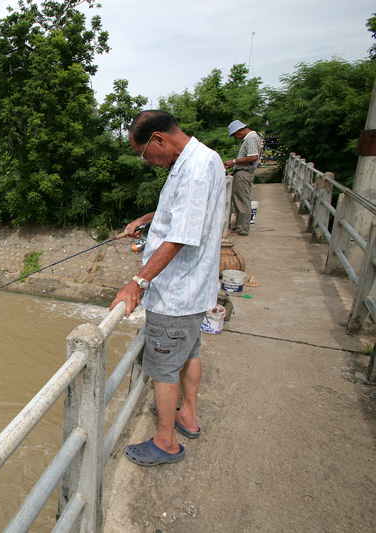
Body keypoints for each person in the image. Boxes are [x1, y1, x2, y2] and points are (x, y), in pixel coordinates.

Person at [110, 110, 226, 466]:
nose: (146, 161)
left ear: (159, 139)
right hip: (194, 290)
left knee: (161, 369)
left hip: (177, 293)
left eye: (144, 153)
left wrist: (138, 282)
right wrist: (147, 220)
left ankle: (166, 443)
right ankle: (187, 416)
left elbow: (182, 236)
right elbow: (184, 214)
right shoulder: (204, 158)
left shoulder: (193, 169)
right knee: (190, 352)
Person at [224, 120, 261, 236]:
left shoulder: (251, 138)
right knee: (238, 200)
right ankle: (238, 227)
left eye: (235, 135)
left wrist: (234, 161)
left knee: (242, 201)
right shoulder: (250, 138)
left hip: (244, 172)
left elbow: (253, 157)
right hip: (241, 172)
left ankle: (242, 229)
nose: (236, 137)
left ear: (240, 131)